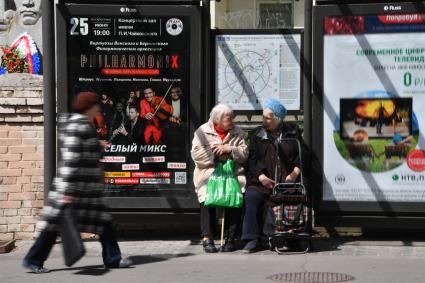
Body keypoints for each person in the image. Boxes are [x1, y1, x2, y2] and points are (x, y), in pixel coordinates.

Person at [23, 91, 132, 273]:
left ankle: (113, 259)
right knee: (54, 226)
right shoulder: (79, 126)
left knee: (103, 222)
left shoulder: (80, 124)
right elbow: (71, 159)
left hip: (86, 189)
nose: (98, 109)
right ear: (88, 107)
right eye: (96, 105)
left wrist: (98, 145)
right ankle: (33, 259)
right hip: (75, 189)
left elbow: (80, 149)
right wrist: (67, 191)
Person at [241, 99, 304, 253]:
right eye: (263, 117)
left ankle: (289, 238)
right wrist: (261, 176)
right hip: (262, 180)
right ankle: (252, 239)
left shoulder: (292, 131)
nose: (264, 121)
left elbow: (303, 154)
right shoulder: (257, 133)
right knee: (251, 196)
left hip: (286, 181)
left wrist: (295, 172)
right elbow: (252, 159)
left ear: (278, 119)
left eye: (268, 118)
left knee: (292, 198)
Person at [191, 104, 248, 253]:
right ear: (217, 120)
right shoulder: (202, 131)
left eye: (232, 117)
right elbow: (196, 155)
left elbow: (244, 154)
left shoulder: (238, 132)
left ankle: (230, 238)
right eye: (229, 118)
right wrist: (216, 153)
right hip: (208, 174)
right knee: (206, 196)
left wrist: (230, 150)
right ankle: (207, 237)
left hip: (232, 174)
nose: (233, 120)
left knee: (234, 196)